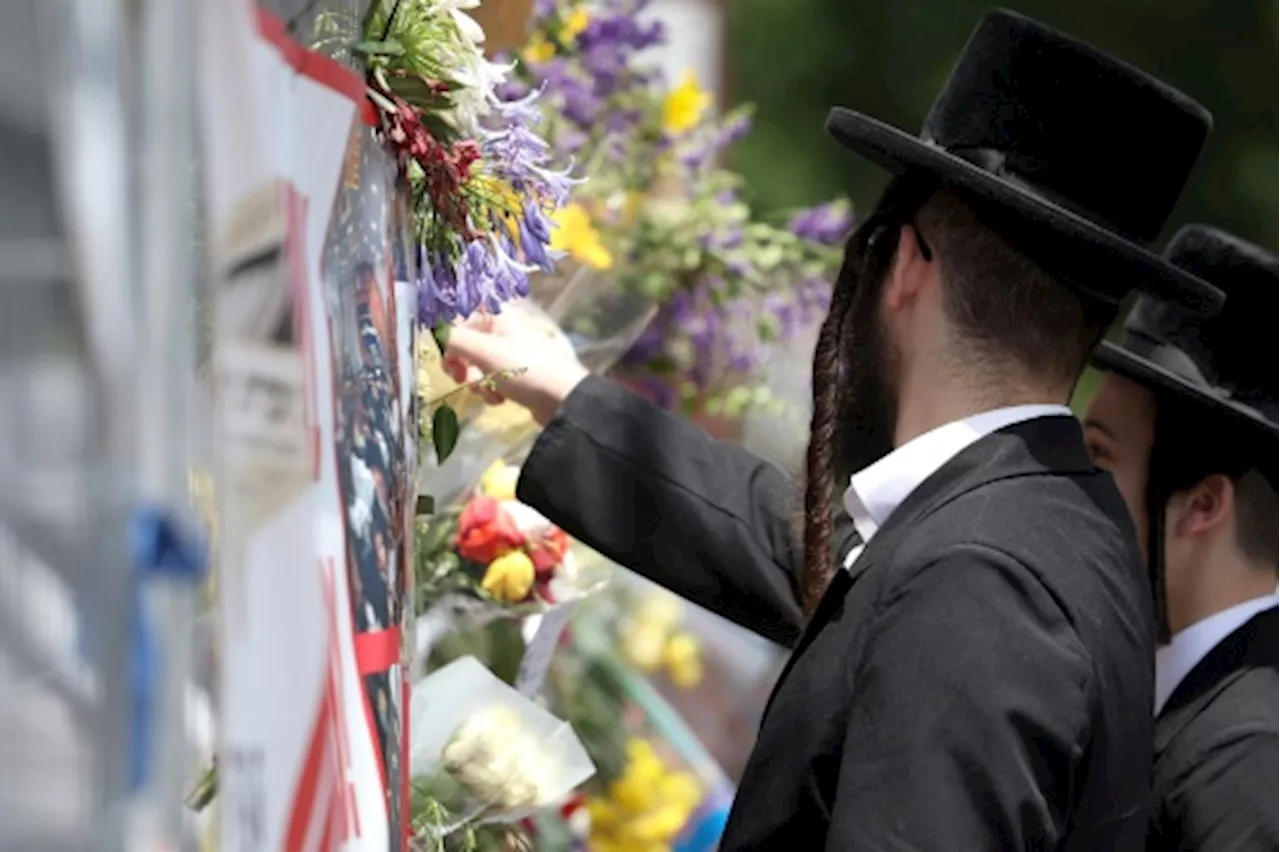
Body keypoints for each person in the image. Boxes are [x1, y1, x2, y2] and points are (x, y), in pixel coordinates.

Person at [447, 10, 1224, 849]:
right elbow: (819, 560)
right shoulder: (1043, 519)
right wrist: (566, 394)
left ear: (905, 265)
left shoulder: (978, 582)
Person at [1082, 225, 1280, 851]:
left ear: (1201, 505)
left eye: (1099, 456)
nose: (1069, 485)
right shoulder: (1188, 695)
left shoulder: (1243, 761)